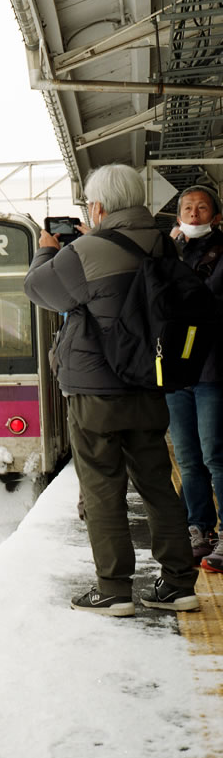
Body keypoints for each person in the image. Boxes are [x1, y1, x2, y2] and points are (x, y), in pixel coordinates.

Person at [24, 164, 200, 616]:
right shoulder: (164, 242)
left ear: (98, 207)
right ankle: (178, 585)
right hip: (149, 383)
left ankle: (114, 589)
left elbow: (39, 290)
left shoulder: (86, 250)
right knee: (157, 484)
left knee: (103, 486)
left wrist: (47, 251)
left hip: (96, 389)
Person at [166, 184, 223, 572]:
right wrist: (168, 255)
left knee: (215, 455)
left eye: (202, 208)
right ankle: (200, 529)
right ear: (178, 217)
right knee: (187, 458)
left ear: (216, 217)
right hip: (176, 370)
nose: (194, 213)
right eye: (187, 208)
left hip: (213, 369)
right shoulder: (169, 254)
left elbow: (203, 300)